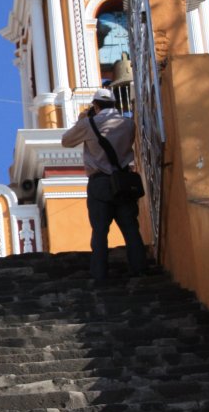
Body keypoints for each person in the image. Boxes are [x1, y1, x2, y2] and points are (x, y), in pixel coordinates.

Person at [61, 88, 148, 283]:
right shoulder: (128, 124)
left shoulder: (88, 124)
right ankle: (140, 269)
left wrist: (83, 119)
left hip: (100, 183)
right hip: (124, 182)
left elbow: (66, 141)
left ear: (96, 105)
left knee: (100, 230)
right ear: (114, 104)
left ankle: (99, 274)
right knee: (130, 228)